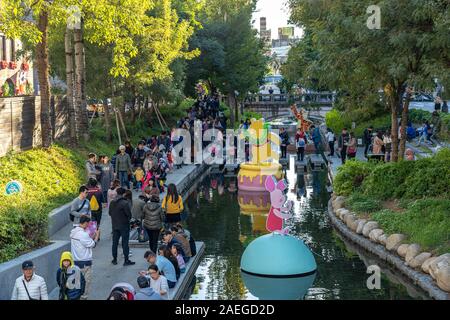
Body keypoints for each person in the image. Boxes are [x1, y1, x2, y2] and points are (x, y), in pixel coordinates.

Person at [70, 215, 99, 300]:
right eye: (88, 224)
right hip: (85, 263)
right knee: (86, 284)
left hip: (75, 262)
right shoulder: (83, 234)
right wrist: (97, 235)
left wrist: (92, 236)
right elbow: (93, 244)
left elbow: (87, 241)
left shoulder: (73, 232)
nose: (88, 226)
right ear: (85, 223)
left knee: (76, 284)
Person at [109, 188, 135, 266]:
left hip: (115, 225)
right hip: (124, 225)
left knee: (115, 243)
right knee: (125, 243)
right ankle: (126, 260)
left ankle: (114, 259)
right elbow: (129, 215)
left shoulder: (112, 202)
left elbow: (110, 213)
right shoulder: (125, 203)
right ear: (124, 194)